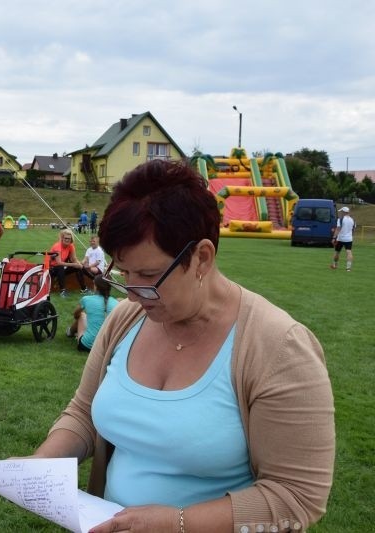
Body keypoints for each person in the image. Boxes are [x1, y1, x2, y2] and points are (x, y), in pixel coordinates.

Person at [29, 159, 334, 532]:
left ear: (201, 257)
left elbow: (297, 495)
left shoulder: (280, 348)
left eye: (149, 276)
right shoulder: (125, 319)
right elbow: (83, 414)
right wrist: (39, 464)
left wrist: (180, 523)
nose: (135, 293)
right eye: (124, 273)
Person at [66, 283, 119, 352]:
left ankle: (70, 332)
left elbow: (76, 315)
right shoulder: (116, 303)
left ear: (96, 287)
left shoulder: (86, 299)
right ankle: (71, 332)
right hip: (107, 348)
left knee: (81, 315)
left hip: (86, 346)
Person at [49, 228, 87, 296]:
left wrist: (78, 264)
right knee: (60, 267)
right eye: (65, 238)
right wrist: (73, 264)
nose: (67, 240)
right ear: (62, 238)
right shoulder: (57, 246)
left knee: (78, 267)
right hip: (52, 269)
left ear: (71, 239)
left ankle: (84, 289)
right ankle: (62, 291)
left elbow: (74, 258)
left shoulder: (71, 246)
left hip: (62, 267)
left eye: (68, 238)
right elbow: (59, 263)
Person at [331, 206, 355, 271]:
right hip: (349, 239)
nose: (340, 213)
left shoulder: (340, 219)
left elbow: (338, 229)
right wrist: (351, 236)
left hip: (340, 238)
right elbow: (353, 230)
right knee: (349, 252)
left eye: (341, 211)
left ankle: (335, 265)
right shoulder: (352, 220)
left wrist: (334, 237)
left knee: (337, 252)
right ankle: (348, 268)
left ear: (344, 212)